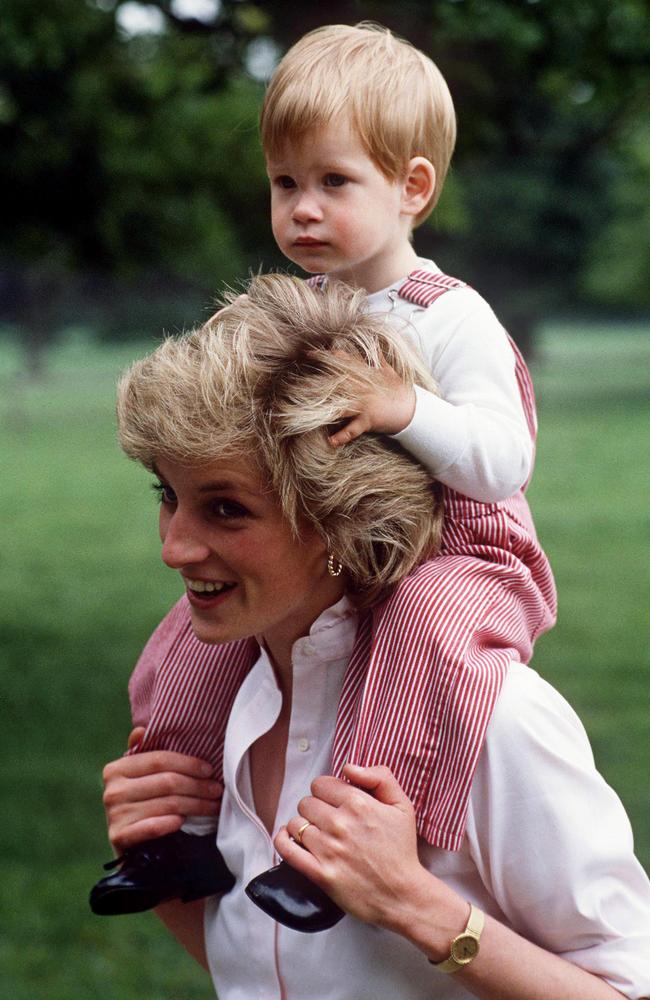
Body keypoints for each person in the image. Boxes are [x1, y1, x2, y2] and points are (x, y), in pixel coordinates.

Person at [90, 22, 556, 921]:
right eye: (285, 183)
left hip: (460, 553)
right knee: (185, 644)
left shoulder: (447, 314)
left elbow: (503, 463)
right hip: (328, 544)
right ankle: (175, 837)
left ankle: (338, 846)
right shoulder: (299, 303)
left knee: (423, 631)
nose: (302, 208)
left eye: (333, 182)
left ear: (411, 187)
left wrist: (403, 409)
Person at [100, 274, 650, 999]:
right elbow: (268, 975)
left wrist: (415, 904)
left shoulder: (493, 720)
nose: (175, 547)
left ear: (343, 518)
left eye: (226, 510)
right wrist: (163, 864)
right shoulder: (226, 701)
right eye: (167, 495)